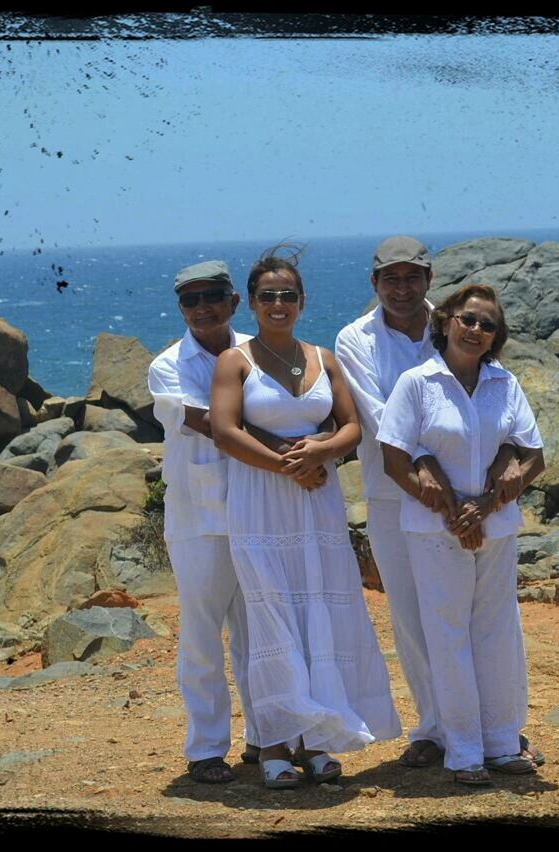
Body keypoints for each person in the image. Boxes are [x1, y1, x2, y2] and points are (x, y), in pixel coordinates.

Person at [334, 236, 539, 770]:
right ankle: (438, 727)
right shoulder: (355, 338)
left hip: (475, 504)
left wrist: (478, 501)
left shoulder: (454, 325)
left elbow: (503, 425)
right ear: (374, 283)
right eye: (390, 279)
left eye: (412, 277)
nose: (401, 288)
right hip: (394, 494)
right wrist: (442, 494)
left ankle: (493, 730)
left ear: (429, 280)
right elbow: (383, 419)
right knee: (415, 617)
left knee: (488, 622)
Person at [210, 247, 400, 789]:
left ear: (301, 301)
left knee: (321, 614)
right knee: (272, 619)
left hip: (317, 506)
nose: (277, 303)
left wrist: (319, 455)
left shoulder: (324, 357)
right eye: (267, 295)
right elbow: (225, 432)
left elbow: (351, 427)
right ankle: (273, 742)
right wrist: (288, 465)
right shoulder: (235, 361)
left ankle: (318, 739)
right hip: (260, 504)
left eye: (286, 295)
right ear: (250, 303)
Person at [377, 281, 546, 786]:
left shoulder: (504, 384)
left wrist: (486, 505)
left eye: (487, 325)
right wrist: (449, 510)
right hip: (432, 531)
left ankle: (499, 742)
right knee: (448, 636)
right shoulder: (416, 382)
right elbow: (394, 457)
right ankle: (465, 752)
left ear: (497, 336)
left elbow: (533, 455)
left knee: (495, 633)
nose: (475, 330)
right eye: (468, 319)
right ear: (446, 320)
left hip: (495, 529)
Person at [148, 259, 286, 784]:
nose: (202, 307)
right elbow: (209, 422)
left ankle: (264, 737)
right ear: (181, 308)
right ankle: (206, 749)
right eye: (190, 300)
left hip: (258, 512)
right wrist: (280, 445)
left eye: (212, 296)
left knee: (260, 632)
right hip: (199, 518)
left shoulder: (262, 349)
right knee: (203, 636)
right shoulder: (167, 366)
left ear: (233, 301)